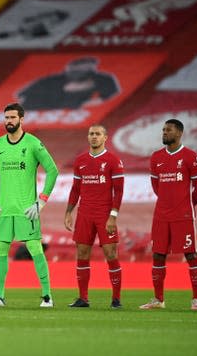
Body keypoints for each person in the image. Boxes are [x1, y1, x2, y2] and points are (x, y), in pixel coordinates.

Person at [0, 102, 58, 308]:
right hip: (3, 209)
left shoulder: (33, 143)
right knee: (0, 251)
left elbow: (52, 170)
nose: (9, 121)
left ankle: (47, 296)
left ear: (21, 119)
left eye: (13, 118)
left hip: (26, 210)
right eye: (6, 118)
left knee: (35, 248)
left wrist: (42, 200)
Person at [140, 119, 197, 311]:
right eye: (163, 130)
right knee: (158, 255)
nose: (164, 133)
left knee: (191, 254)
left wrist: (186, 205)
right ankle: (158, 299)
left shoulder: (190, 156)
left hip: (183, 215)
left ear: (179, 133)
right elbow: (156, 186)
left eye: (168, 130)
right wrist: (168, 203)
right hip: (161, 215)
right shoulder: (156, 157)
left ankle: (196, 299)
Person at [64, 125, 125, 309]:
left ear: (105, 137)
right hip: (84, 213)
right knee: (82, 254)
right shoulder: (80, 160)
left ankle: (116, 299)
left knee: (110, 253)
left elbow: (119, 191)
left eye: (98, 134)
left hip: (105, 214)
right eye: (91, 134)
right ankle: (83, 298)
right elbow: (75, 189)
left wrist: (113, 216)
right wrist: (69, 212)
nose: (94, 137)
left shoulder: (113, 160)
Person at [18, 56, 119, 110]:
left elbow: (109, 93)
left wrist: (85, 103)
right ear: (69, 68)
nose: (82, 69)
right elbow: (22, 95)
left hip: (72, 109)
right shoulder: (52, 80)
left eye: (88, 66)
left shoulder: (102, 78)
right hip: (38, 109)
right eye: (77, 66)